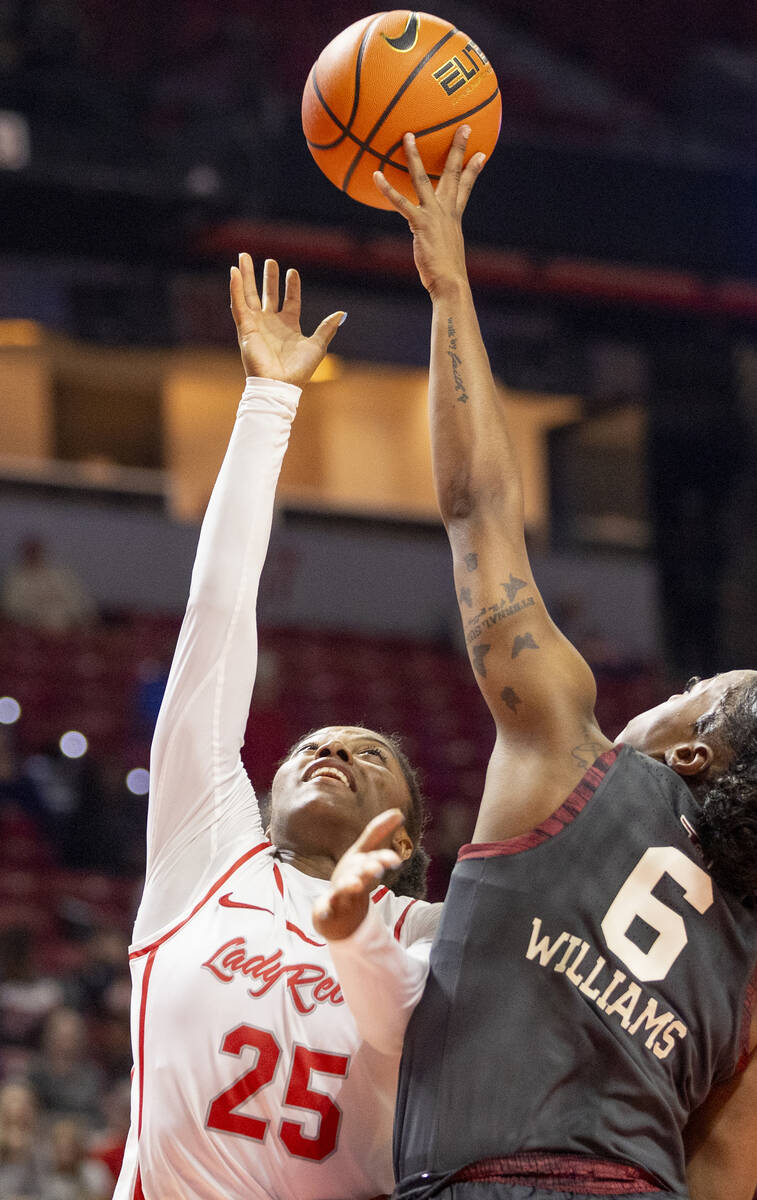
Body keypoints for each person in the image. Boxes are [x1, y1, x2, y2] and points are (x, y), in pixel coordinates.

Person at [314, 128, 757, 1200]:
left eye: (686, 692)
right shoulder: (750, 975)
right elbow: (730, 1171)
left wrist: (449, 287)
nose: (661, 696)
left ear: (692, 754)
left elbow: (478, 511)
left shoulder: (568, 747)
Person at [113, 254, 440, 1200]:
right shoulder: (205, 853)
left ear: (408, 835)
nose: (332, 749)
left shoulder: (432, 933)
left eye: (368, 754)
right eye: (310, 747)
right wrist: (267, 404)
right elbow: (216, 613)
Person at [0, 535, 96, 632]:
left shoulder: (60, 575)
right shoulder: (14, 578)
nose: (33, 555)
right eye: (30, 551)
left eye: (36, 551)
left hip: (65, 622)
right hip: (32, 624)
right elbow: (12, 607)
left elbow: (77, 600)